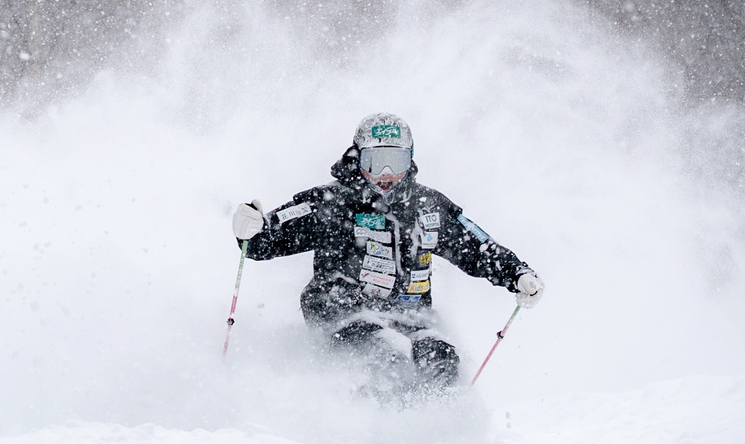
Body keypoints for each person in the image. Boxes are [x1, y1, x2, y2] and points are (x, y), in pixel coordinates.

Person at [232, 113, 543, 387]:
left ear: (410, 161)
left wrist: (516, 273)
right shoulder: (331, 204)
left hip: (410, 316)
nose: (385, 174)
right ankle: (366, 431)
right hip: (343, 313)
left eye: (396, 162)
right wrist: (252, 229)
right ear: (357, 158)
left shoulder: (427, 207)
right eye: (374, 161)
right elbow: (266, 239)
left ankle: (437, 433)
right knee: (387, 353)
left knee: (441, 359)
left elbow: (475, 247)